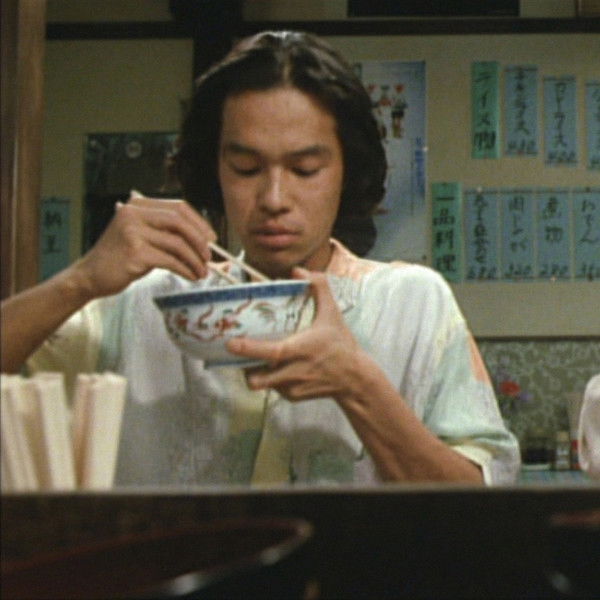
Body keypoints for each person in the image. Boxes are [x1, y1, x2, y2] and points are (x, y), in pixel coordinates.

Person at [0, 31, 520, 486]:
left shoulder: (411, 303)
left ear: (347, 169)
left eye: (305, 169)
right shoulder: (148, 304)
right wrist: (81, 280)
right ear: (215, 168)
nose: (274, 198)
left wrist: (358, 384)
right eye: (246, 168)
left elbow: (481, 505)